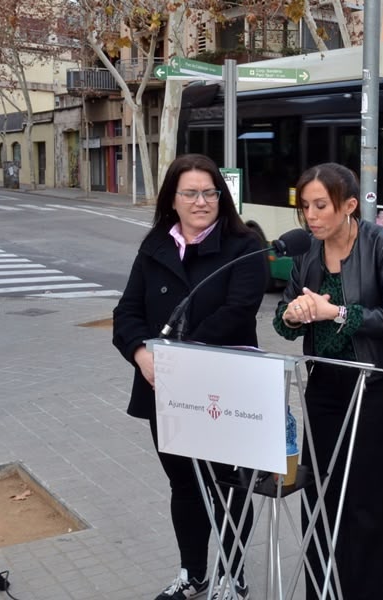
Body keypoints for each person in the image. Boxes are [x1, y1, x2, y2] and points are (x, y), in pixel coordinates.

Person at [112, 153, 267, 600]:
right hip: (163, 390)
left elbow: (238, 311)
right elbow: (127, 312)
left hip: (223, 389)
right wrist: (140, 353)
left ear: (221, 196)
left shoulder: (244, 245)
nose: (201, 201)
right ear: (172, 199)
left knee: (226, 487)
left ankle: (233, 577)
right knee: (184, 483)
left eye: (209, 192)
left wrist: (180, 358)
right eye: (190, 193)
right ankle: (193, 574)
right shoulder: (155, 245)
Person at [272, 162, 383, 600]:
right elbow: (283, 319)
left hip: (376, 392)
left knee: (368, 509)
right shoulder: (306, 252)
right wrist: (292, 315)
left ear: (350, 205)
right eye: (305, 207)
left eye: (321, 206)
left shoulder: (381, 245)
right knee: (319, 503)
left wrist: (336, 313)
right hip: (323, 392)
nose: (311, 216)